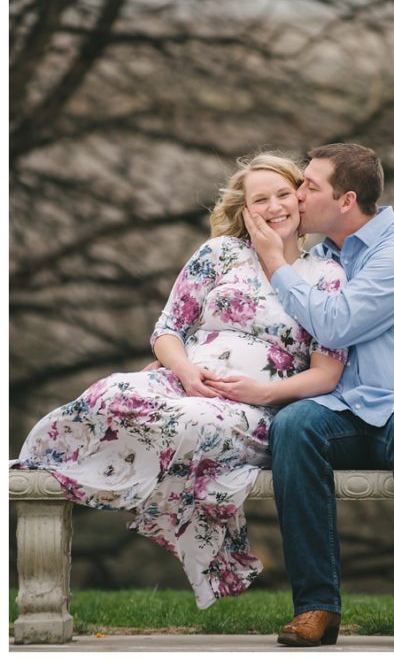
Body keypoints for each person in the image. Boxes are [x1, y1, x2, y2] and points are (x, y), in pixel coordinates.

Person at [16, 154, 347, 607]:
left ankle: (163, 500)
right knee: (110, 391)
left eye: (283, 195)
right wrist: (186, 372)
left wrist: (264, 391)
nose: (274, 207)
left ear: (301, 200)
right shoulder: (219, 254)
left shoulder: (327, 275)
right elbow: (167, 329)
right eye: (260, 199)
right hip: (185, 381)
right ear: (244, 210)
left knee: (192, 424)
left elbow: (326, 373)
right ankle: (49, 468)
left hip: (254, 407)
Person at [242, 143, 394, 651]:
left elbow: (336, 322)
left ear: (346, 200)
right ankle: (316, 607)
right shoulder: (319, 260)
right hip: (343, 413)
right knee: (294, 426)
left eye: (309, 186)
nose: (297, 195)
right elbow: (254, 325)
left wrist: (276, 263)